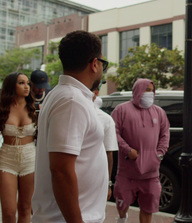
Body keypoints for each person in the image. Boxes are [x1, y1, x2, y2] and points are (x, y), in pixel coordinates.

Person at [31, 30, 109, 223]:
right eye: (102, 64)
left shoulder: (68, 96)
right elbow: (61, 170)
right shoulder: (72, 101)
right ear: (94, 64)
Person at [111, 78, 170, 223]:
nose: (149, 93)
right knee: (122, 204)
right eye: (146, 90)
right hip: (127, 172)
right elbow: (113, 132)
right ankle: (122, 219)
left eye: (152, 90)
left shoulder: (159, 112)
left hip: (150, 173)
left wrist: (160, 154)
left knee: (147, 209)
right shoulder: (121, 110)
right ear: (137, 91)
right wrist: (127, 150)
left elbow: (165, 134)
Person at [0, 72, 37, 223]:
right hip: (7, 159)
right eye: (21, 83)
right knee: (9, 212)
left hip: (29, 159)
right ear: (11, 86)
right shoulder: (2, 108)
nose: (26, 86)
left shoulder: (34, 108)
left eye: (27, 83)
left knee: (25, 208)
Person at [92, 82, 118, 200]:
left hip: (96, 178)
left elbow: (109, 154)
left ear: (96, 93)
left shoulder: (106, 119)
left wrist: (108, 183)